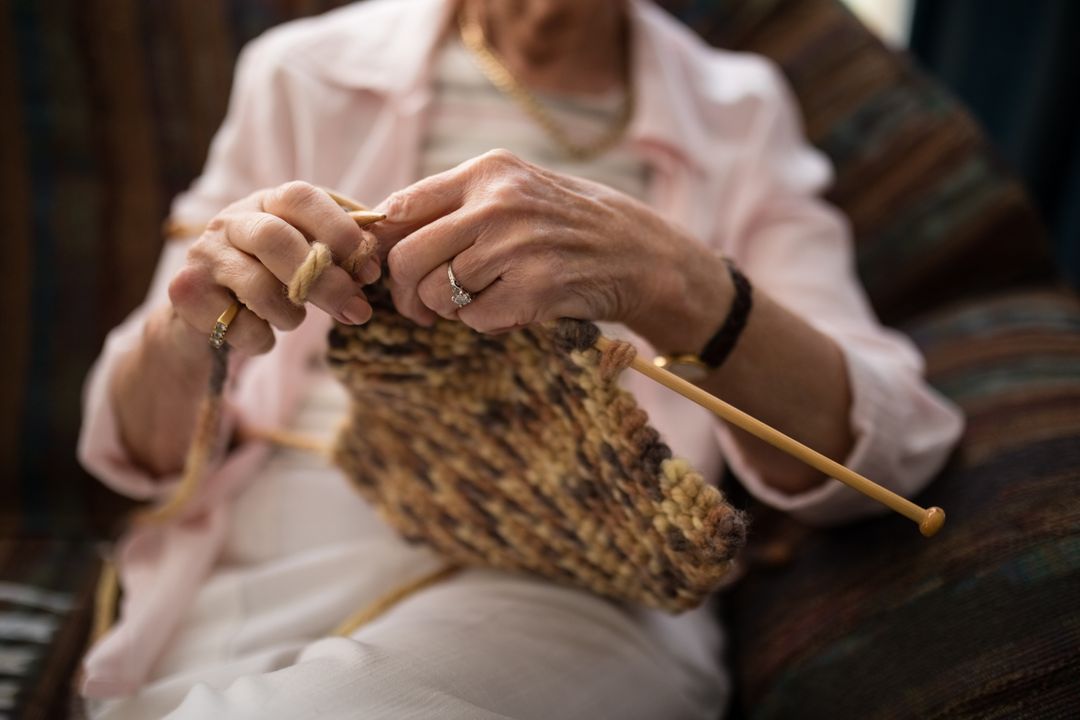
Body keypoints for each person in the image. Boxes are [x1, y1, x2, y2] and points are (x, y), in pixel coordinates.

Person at [78, 0, 964, 717]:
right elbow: (139, 455)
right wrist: (192, 326)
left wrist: (677, 279)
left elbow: (885, 448)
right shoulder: (302, 70)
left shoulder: (738, 108)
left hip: (584, 563)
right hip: (268, 539)